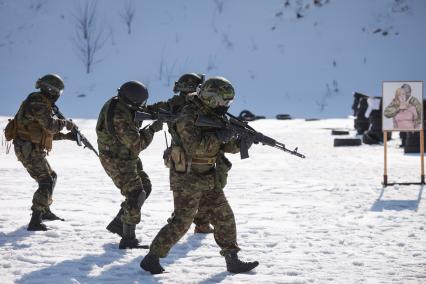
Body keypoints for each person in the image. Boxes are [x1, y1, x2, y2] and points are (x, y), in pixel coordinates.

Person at [140, 77, 259, 274]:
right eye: (224, 101)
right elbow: (194, 147)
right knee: (182, 220)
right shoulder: (188, 114)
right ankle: (152, 258)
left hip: (208, 175)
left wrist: (243, 142)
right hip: (186, 175)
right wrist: (220, 136)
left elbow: (226, 146)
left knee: (224, 216)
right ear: (212, 98)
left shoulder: (214, 114)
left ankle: (232, 259)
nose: (226, 106)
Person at [148, 73, 233, 234]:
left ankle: (196, 222)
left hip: (192, 152)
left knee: (200, 191)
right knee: (188, 195)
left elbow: (152, 109)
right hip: (186, 151)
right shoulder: (190, 106)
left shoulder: (180, 103)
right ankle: (187, 223)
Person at [96, 81, 163, 249]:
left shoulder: (120, 103)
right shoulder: (119, 116)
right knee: (135, 194)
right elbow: (137, 144)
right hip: (116, 159)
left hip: (125, 156)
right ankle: (128, 239)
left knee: (145, 187)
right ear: (131, 101)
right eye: (140, 103)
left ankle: (120, 223)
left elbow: (139, 112)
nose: (142, 106)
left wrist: (160, 111)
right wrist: (153, 129)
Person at [7, 74, 76, 231]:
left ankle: (44, 211)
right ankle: (35, 221)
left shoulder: (42, 103)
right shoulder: (37, 101)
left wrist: (67, 136)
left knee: (51, 176)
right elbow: (51, 126)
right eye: (58, 91)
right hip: (27, 148)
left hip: (31, 147)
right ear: (51, 90)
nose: (58, 95)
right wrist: (65, 123)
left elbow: (44, 133)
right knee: (46, 181)